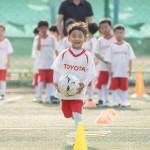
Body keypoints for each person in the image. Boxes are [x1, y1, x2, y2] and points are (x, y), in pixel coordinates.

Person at [51, 22, 96, 130]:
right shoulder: (64, 53)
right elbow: (56, 69)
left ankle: (78, 137)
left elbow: (91, 73)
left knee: (78, 115)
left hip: (78, 92)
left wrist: (84, 84)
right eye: (74, 36)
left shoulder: (87, 56)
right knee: (67, 114)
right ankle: (73, 115)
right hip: (64, 91)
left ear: (85, 39)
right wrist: (56, 82)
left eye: (80, 36)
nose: (77, 39)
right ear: (68, 38)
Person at [104, 24, 135, 107]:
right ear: (114, 34)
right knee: (114, 87)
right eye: (117, 33)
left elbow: (130, 59)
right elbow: (109, 60)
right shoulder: (112, 46)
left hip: (124, 71)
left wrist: (130, 69)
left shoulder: (127, 46)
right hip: (115, 71)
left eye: (121, 32)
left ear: (124, 33)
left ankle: (124, 102)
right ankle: (115, 102)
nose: (119, 34)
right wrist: (109, 70)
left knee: (124, 87)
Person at [33, 20, 59, 103]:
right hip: (41, 65)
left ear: (47, 28)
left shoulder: (52, 38)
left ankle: (48, 97)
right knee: (41, 81)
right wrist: (40, 38)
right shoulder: (37, 38)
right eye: (41, 28)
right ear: (38, 29)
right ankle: (39, 97)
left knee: (50, 82)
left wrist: (58, 60)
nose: (43, 30)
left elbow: (56, 50)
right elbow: (37, 49)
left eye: (45, 28)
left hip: (51, 64)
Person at [95, 18, 116, 107]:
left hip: (115, 66)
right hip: (103, 66)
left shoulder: (115, 38)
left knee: (116, 83)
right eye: (102, 28)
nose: (104, 29)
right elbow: (96, 53)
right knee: (103, 83)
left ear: (110, 27)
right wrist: (105, 60)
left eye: (106, 27)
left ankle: (118, 101)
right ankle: (105, 100)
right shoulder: (100, 40)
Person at [83, 22, 98, 102]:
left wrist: (92, 64)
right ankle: (83, 97)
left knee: (89, 81)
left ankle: (90, 98)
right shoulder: (86, 39)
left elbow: (94, 53)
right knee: (83, 80)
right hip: (83, 63)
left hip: (89, 64)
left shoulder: (93, 40)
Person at [0, 23, 13, 100]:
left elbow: (9, 53)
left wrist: (8, 62)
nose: (0, 32)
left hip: (3, 64)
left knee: (3, 79)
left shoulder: (6, 41)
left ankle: (3, 94)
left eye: (1, 31)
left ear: (3, 32)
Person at [31, 27, 39, 102]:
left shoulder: (38, 39)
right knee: (37, 80)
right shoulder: (36, 40)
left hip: (41, 64)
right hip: (37, 63)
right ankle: (37, 95)